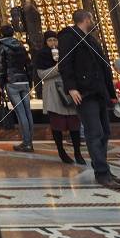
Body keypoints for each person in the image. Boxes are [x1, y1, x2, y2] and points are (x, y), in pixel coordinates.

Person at [58, 9, 120, 189]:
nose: (93, 21)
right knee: (95, 133)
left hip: (99, 91)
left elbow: (103, 68)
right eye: (92, 18)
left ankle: (104, 169)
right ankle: (101, 173)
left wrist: (111, 94)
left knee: (105, 132)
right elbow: (65, 63)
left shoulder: (92, 39)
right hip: (85, 93)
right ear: (86, 19)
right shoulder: (69, 37)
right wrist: (71, 87)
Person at [35, 31, 84, 165]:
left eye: (55, 40)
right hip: (53, 91)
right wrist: (57, 68)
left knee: (74, 123)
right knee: (57, 124)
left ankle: (77, 152)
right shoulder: (42, 55)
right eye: (50, 40)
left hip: (68, 88)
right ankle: (61, 151)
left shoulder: (65, 52)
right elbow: (41, 75)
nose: (53, 43)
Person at [0, 24, 34, 152]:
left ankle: (26, 142)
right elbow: (28, 64)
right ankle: (30, 142)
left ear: (1, 34)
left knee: (20, 112)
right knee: (28, 111)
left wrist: (0, 85)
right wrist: (30, 80)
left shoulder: (1, 46)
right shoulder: (21, 45)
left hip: (11, 81)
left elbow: (1, 67)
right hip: (23, 80)